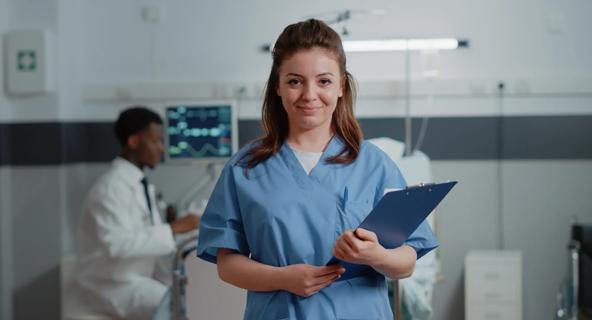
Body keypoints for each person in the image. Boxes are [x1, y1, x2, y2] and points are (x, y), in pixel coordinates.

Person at [196, 19, 438, 319]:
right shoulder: (245, 167)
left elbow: (407, 260)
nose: (309, 94)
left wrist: (377, 255)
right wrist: (284, 278)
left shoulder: (374, 165)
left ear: (341, 87)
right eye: (295, 81)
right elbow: (227, 264)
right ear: (278, 88)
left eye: (323, 81)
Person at [76, 106, 200, 320]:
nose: (161, 149)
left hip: (137, 278)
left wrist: (184, 233)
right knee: (180, 305)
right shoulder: (110, 189)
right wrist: (174, 228)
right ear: (133, 142)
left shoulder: (139, 185)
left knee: (197, 295)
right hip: (112, 286)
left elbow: (148, 237)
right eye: (155, 141)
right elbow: (118, 244)